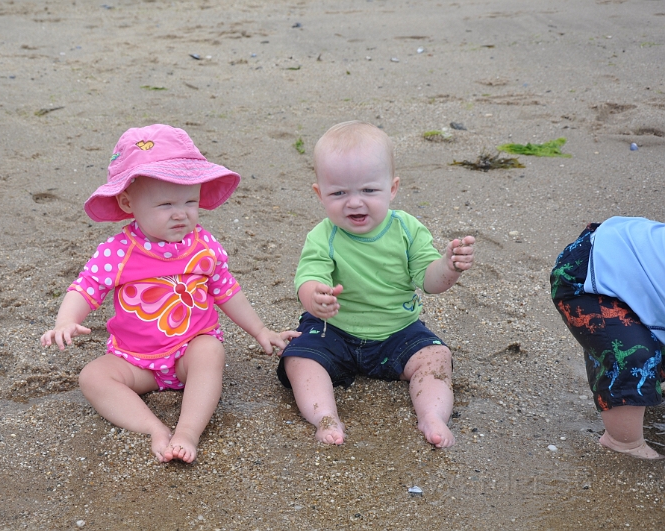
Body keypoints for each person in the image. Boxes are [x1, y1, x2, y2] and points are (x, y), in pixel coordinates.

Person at [41, 124, 298, 464]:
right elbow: (86, 286)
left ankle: (187, 431)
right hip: (135, 361)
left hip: (188, 355)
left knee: (210, 351)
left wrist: (260, 330)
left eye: (191, 201)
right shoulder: (118, 251)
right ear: (127, 202)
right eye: (165, 204)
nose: (181, 213)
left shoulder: (203, 245)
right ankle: (153, 428)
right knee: (93, 377)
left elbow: (226, 289)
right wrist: (66, 320)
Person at [277, 121, 475, 448]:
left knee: (436, 356)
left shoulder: (407, 230)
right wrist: (315, 297)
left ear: (392, 188)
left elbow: (430, 280)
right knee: (298, 359)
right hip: (333, 329)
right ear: (320, 194)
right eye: (339, 193)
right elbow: (308, 278)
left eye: (369, 190)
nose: (355, 202)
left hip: (397, 330)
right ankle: (324, 416)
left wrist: (449, 266)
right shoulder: (323, 235)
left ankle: (432, 415)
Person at [551, 216, 664, 459]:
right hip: (586, 274)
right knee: (634, 355)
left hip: (630, 271)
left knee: (645, 346)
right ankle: (624, 442)